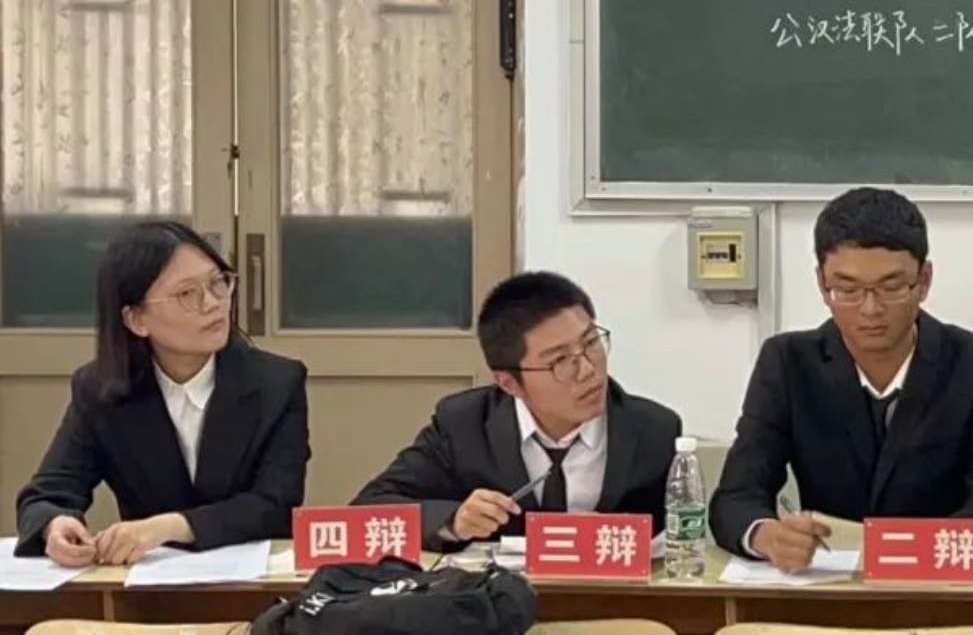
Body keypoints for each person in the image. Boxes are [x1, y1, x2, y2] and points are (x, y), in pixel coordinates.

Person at [709, 187, 973, 572]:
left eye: (891, 288)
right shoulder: (788, 363)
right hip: (828, 587)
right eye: (847, 290)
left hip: (940, 582)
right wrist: (768, 537)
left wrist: (906, 554)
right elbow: (735, 499)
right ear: (822, 284)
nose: (870, 309)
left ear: (924, 281)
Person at [14, 222, 309, 566]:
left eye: (218, 282)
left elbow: (275, 506)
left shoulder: (277, 382)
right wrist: (55, 526)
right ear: (136, 319)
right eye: (187, 294)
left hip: (249, 583)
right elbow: (48, 494)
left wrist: (167, 527)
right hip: (147, 586)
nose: (213, 303)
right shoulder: (100, 390)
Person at [353, 271, 680, 551]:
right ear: (509, 383)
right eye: (560, 360)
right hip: (494, 600)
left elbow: (680, 537)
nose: (588, 370)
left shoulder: (655, 431)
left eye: (592, 343)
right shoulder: (464, 425)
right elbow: (368, 509)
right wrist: (454, 520)